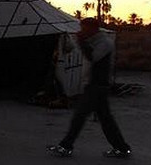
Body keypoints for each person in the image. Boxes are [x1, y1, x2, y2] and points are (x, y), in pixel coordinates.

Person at [47, 18, 131, 158]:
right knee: (106, 120)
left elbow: (92, 57)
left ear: (93, 28)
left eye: (84, 28)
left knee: (79, 116)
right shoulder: (94, 41)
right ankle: (121, 148)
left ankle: (65, 146)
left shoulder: (105, 43)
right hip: (94, 85)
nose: (82, 31)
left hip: (97, 86)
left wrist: (81, 42)